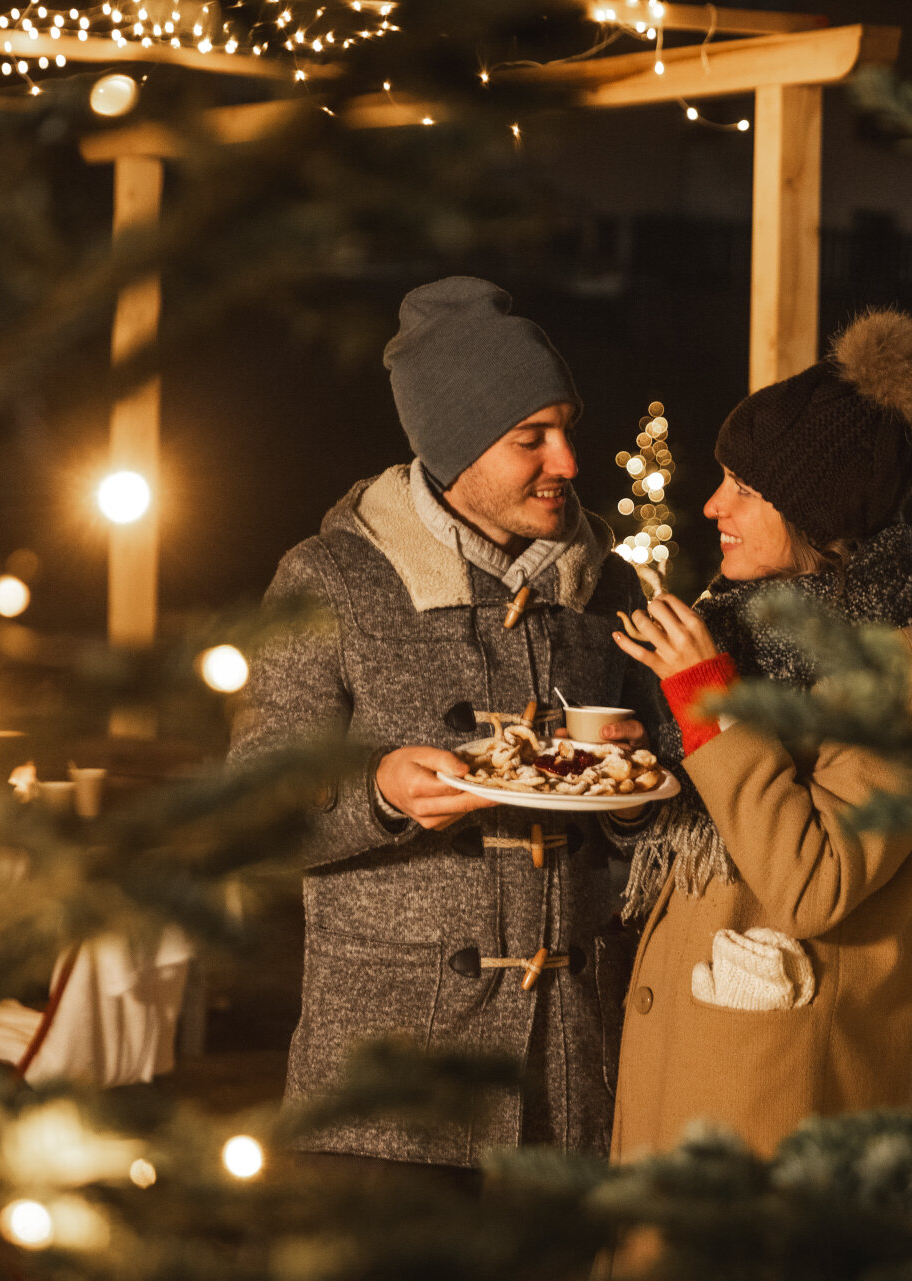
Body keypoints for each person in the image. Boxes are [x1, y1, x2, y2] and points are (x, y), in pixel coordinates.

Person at [228, 277, 663, 1174]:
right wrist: (379, 794)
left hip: (571, 1089)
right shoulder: (333, 579)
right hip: (385, 1102)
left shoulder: (610, 589)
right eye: (530, 438)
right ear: (453, 444)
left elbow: (669, 810)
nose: (568, 460)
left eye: (566, 428)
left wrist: (630, 799)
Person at [606, 309, 912, 1162]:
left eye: (744, 486)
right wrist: (631, 783)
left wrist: (705, 700)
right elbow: (713, 827)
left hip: (775, 1099)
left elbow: (814, 883)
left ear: (813, 507)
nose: (712, 504)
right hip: (686, 1066)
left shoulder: (901, 666)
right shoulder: (743, 623)